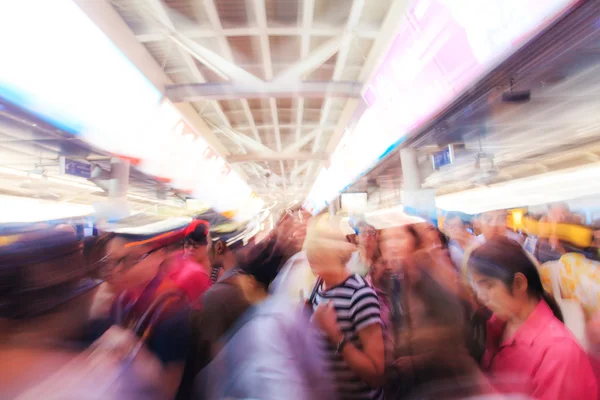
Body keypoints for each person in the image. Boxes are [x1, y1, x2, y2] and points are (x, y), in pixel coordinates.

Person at [0, 228, 167, 399]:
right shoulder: (99, 376)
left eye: (127, 260)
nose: (115, 269)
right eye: (111, 261)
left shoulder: (161, 305)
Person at [468, 236, 598, 399]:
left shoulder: (559, 352)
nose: (481, 296)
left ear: (519, 283)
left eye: (488, 285)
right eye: (477, 286)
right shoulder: (496, 325)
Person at [307, 216, 385, 400]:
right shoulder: (318, 287)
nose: (311, 256)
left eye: (318, 251)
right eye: (309, 250)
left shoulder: (360, 295)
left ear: (337, 253)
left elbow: (376, 375)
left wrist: (336, 337)